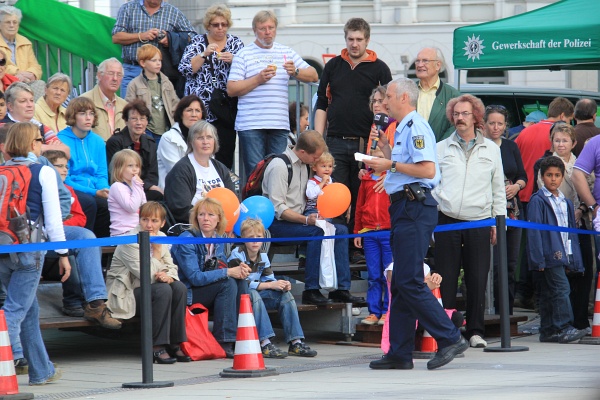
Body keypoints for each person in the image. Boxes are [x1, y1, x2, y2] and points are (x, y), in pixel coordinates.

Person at [362, 78, 467, 371]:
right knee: (401, 282)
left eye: (389, 97)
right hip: (404, 207)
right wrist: (386, 152)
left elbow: (426, 169)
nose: (384, 103)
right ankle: (399, 351)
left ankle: (449, 337)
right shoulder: (404, 128)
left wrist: (391, 165)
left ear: (404, 98)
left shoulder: (415, 125)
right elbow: (406, 169)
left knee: (408, 280)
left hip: (414, 207)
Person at [314, 18, 391, 263]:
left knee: (361, 198)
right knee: (335, 196)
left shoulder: (380, 68)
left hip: (366, 144)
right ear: (345, 39)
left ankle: (358, 251)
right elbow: (322, 103)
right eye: (350, 39)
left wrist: (382, 143)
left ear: (367, 40)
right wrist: (319, 141)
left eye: (359, 39)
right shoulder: (334, 66)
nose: (354, 43)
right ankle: (336, 250)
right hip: (334, 142)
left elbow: (387, 108)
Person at [433, 94, 505, 349]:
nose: (460, 118)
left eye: (465, 113)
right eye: (456, 114)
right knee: (446, 279)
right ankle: (448, 332)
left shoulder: (492, 149)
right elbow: (433, 184)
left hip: (479, 221)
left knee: (476, 279)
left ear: (476, 117)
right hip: (447, 220)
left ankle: (475, 330)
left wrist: (498, 222)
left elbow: (498, 188)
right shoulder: (440, 147)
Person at [262, 130, 363, 306]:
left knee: (341, 231)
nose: (317, 161)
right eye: (315, 157)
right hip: (278, 223)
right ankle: (311, 289)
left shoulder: (305, 164)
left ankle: (341, 289)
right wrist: (306, 220)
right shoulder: (280, 166)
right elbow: (278, 209)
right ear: (303, 152)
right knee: (315, 232)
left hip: (304, 218)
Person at [0, 122, 67, 385]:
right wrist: (63, 253)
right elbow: (53, 219)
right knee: (14, 311)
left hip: (4, 247)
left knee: (28, 308)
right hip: (29, 249)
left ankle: (41, 371)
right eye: (39, 139)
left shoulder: (2, 170)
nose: (41, 143)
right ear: (31, 144)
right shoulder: (43, 171)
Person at [227, 10, 318, 177]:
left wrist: (296, 72)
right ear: (254, 30)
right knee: (255, 174)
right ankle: (255, 203)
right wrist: (258, 79)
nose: (267, 32)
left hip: (278, 124)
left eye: (271, 27)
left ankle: (274, 203)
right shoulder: (244, 54)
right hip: (251, 124)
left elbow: (313, 74)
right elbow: (231, 89)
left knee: (278, 172)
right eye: (263, 28)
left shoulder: (286, 53)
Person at [107, 201, 189, 364]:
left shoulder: (162, 237)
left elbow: (171, 265)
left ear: (162, 223)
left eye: (154, 221)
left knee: (178, 287)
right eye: (145, 220)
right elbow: (145, 275)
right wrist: (157, 252)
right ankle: (155, 346)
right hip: (126, 292)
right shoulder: (130, 241)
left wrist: (169, 276)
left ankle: (175, 342)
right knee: (163, 290)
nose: (149, 225)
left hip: (149, 287)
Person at [170, 197, 251, 358]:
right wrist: (228, 272)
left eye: (211, 215)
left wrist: (237, 269)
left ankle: (242, 337)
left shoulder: (218, 238)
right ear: (196, 218)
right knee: (228, 282)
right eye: (201, 215)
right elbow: (195, 278)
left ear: (219, 219)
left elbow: (219, 266)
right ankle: (225, 340)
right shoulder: (186, 240)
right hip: (189, 292)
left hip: (207, 289)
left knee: (239, 282)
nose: (206, 219)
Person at [515, 97, 574, 309]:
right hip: (549, 199)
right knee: (551, 249)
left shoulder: (525, 132)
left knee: (530, 248)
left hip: (525, 196)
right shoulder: (561, 134)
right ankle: (543, 300)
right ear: (562, 117)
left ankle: (523, 292)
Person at [228, 218, 318, 358]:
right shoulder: (237, 253)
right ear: (243, 238)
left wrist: (281, 285)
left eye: (259, 237)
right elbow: (242, 282)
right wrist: (270, 285)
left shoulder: (263, 256)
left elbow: (269, 279)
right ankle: (265, 343)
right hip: (240, 296)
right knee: (254, 294)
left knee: (286, 296)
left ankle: (296, 342)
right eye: (251, 237)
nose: (255, 241)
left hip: (257, 293)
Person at [535, 124, 592, 333]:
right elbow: (543, 193)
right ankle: (556, 324)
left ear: (573, 143)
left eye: (565, 141)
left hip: (580, 224)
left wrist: (582, 208)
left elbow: (589, 187)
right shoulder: (546, 164)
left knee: (582, 271)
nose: (561, 144)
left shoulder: (580, 164)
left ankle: (579, 320)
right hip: (555, 226)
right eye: (557, 140)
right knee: (558, 278)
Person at [527, 156, 587, 344]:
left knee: (549, 292)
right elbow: (534, 232)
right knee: (561, 288)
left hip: (563, 253)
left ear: (563, 177)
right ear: (541, 177)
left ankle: (548, 330)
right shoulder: (538, 200)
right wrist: (538, 260)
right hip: (547, 255)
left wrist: (572, 258)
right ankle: (563, 327)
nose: (553, 179)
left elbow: (569, 232)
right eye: (549, 175)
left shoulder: (566, 202)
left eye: (557, 175)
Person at [179, 4, 243, 170]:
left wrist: (235, 59)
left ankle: (223, 188)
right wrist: (204, 54)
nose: (220, 28)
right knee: (200, 149)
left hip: (226, 108)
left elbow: (248, 71)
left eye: (224, 24)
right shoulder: (197, 42)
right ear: (208, 25)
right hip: (201, 108)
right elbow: (185, 68)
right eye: (216, 24)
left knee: (224, 153)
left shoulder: (236, 43)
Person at [482, 105, 527, 315]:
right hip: (487, 209)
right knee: (492, 264)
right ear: (484, 124)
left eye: (500, 123)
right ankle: (488, 308)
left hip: (512, 210)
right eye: (492, 123)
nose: (496, 127)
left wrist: (516, 186)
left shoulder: (511, 146)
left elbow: (523, 176)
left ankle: (506, 311)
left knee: (509, 263)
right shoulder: (480, 146)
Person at [111, 0, 196, 95]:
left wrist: (170, 38)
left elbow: (192, 36)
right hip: (133, 70)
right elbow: (116, 37)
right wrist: (142, 36)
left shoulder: (174, 12)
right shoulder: (128, 8)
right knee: (130, 108)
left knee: (157, 109)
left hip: (160, 73)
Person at [57, 96, 111, 238]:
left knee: (109, 203)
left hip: (94, 189)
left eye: (91, 114)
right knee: (90, 203)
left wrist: (105, 190)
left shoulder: (98, 141)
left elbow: (101, 174)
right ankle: (84, 245)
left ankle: (103, 250)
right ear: (73, 117)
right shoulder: (61, 140)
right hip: (72, 188)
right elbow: (65, 178)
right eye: (82, 114)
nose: (88, 118)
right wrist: (94, 192)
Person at [164, 120, 234, 224]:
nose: (205, 142)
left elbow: (233, 200)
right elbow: (180, 209)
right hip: (194, 228)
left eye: (209, 137)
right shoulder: (181, 170)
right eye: (200, 138)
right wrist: (208, 221)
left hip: (222, 226)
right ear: (191, 142)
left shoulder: (220, 168)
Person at [354, 145, 391, 326]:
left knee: (388, 275)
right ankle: (373, 311)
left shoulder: (392, 179)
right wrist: (357, 232)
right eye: (373, 158)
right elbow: (359, 206)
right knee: (373, 275)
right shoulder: (365, 180)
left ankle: (387, 310)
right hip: (369, 233)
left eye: (380, 158)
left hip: (388, 232)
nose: (376, 161)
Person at [106, 99, 163, 201]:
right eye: (134, 119)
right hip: (123, 188)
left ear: (147, 122)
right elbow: (116, 174)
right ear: (126, 121)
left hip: (144, 188)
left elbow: (153, 175)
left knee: (158, 195)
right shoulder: (115, 142)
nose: (139, 123)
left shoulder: (150, 143)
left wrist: (146, 186)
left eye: (142, 119)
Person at [125, 44, 179, 143]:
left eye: (159, 60)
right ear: (143, 63)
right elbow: (129, 109)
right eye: (154, 61)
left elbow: (175, 104)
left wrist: (175, 126)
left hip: (166, 130)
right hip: (147, 131)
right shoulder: (134, 84)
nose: (158, 63)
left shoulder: (167, 82)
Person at [157, 95, 205, 189]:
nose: (194, 114)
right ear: (181, 114)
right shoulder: (168, 138)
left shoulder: (205, 139)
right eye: (189, 110)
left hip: (201, 190)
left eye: (197, 111)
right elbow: (178, 172)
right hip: (176, 191)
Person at [414, 47, 460, 142]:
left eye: (425, 61)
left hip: (440, 152)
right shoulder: (409, 91)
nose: (420, 65)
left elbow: (454, 126)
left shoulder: (452, 95)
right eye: (417, 61)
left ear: (438, 65)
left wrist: (437, 147)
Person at [0, 6, 44, 98]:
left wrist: (29, 74)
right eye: (8, 22)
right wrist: (17, 73)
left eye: (15, 22)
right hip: (5, 81)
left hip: (25, 81)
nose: (12, 25)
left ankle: (35, 112)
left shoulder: (25, 42)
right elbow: (2, 66)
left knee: (40, 84)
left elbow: (36, 67)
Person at [81, 58, 128, 141]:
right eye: (111, 73)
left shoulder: (125, 105)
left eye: (119, 75)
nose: (115, 78)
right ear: (99, 75)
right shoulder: (83, 101)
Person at [108, 149, 147, 236]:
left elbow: (144, 209)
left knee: (164, 241)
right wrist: (138, 186)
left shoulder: (137, 187)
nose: (135, 169)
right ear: (119, 169)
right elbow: (132, 207)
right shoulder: (117, 186)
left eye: (137, 166)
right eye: (130, 166)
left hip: (138, 232)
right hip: (122, 233)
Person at [305, 151, 334, 216]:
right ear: (314, 168)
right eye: (323, 166)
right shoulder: (312, 182)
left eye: (330, 166)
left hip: (326, 210)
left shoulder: (330, 180)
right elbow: (310, 195)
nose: (327, 169)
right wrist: (322, 183)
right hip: (312, 210)